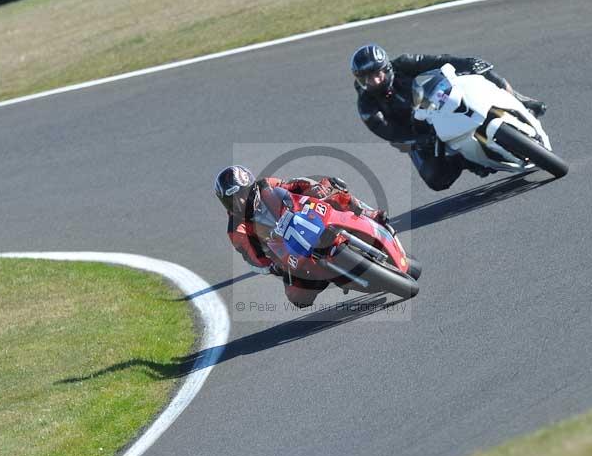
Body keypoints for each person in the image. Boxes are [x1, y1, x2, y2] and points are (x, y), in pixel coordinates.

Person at [351, 44, 547, 191]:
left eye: (377, 74)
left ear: (386, 68)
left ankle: (521, 102)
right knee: (436, 180)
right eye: (366, 78)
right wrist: (422, 140)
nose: (374, 81)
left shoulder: (404, 63)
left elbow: (438, 61)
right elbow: (392, 134)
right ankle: (467, 160)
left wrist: (468, 63)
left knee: (484, 72)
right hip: (418, 131)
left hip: (437, 101)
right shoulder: (367, 106)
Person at [215, 165, 388, 308]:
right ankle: (331, 275)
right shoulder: (236, 228)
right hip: (289, 252)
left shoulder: (266, 185)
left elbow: (295, 185)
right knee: (298, 298)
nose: (239, 203)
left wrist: (315, 188)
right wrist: (270, 267)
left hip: (306, 218)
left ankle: (367, 213)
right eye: (230, 200)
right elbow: (252, 258)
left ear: (250, 186)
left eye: (240, 195)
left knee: (334, 190)